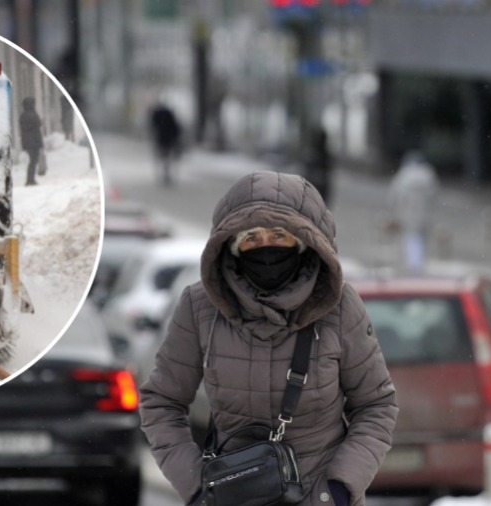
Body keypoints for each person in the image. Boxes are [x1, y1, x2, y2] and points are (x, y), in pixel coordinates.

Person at [140, 172, 398, 506]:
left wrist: (338, 487)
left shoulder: (339, 306)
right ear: (232, 247)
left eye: (279, 235)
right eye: (252, 239)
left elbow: (376, 405)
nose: (266, 248)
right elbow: (161, 402)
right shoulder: (200, 307)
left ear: (303, 243)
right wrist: (197, 488)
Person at [387, 151, 439, 274]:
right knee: (422, 239)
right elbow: (434, 196)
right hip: (425, 213)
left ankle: (413, 265)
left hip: (408, 213)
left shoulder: (403, 175)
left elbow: (394, 196)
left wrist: (395, 212)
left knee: (410, 238)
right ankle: (419, 263)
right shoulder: (429, 175)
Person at [149, 102, 182, 185]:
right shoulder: (169, 115)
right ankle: (166, 172)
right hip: (168, 139)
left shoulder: (157, 115)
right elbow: (175, 127)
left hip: (161, 138)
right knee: (166, 157)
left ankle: (163, 173)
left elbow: (153, 125)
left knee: (162, 156)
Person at [19, 96, 45, 186]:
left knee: (32, 161)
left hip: (27, 142)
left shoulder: (23, 115)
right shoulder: (33, 115)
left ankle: (30, 179)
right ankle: (30, 179)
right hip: (34, 142)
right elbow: (36, 131)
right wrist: (40, 143)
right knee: (33, 161)